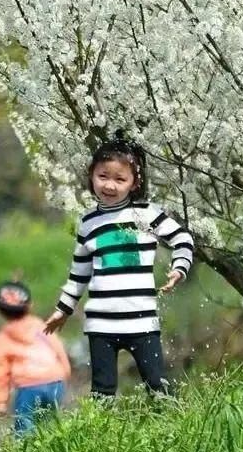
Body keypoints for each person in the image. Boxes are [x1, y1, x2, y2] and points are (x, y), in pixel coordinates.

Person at [44, 130, 194, 398]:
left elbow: (182, 237)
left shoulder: (146, 213)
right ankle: (102, 439)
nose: (110, 185)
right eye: (103, 176)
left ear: (134, 183)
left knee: (160, 388)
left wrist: (179, 267)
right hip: (101, 324)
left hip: (142, 320)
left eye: (119, 179)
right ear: (91, 175)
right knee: (102, 394)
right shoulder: (88, 223)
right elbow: (79, 274)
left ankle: (171, 434)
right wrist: (63, 310)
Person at [0, 281, 70, 434]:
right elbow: (58, 349)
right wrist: (65, 372)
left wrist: (0, 402)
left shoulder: (4, 337)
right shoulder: (40, 325)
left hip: (29, 385)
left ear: (0, 310)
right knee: (51, 428)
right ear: (30, 305)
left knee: (25, 429)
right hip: (55, 381)